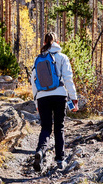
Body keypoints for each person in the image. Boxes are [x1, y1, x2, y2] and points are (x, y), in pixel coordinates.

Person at [31, 32, 78, 171]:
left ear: (44, 43)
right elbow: (68, 79)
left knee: (45, 128)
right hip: (59, 95)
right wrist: (73, 98)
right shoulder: (63, 57)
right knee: (59, 127)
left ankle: (40, 151)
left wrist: (36, 102)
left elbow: (33, 83)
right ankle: (60, 160)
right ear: (56, 41)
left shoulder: (37, 59)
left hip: (42, 97)